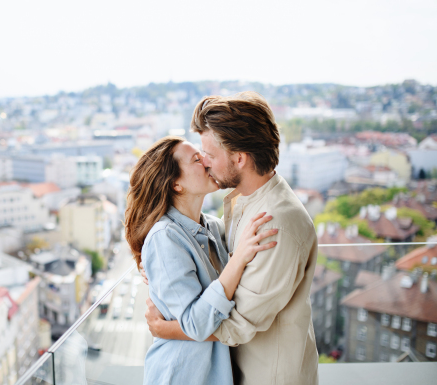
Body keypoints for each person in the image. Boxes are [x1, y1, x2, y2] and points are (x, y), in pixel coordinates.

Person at [144, 92, 319, 385]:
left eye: (209, 156)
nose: (205, 163)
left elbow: (237, 325)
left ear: (239, 158)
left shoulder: (275, 224)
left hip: (268, 376)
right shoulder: (242, 203)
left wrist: (166, 329)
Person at [125, 136, 278, 385]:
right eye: (197, 159)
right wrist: (238, 259)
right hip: (180, 375)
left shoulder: (212, 228)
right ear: (176, 184)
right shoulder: (165, 237)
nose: (206, 162)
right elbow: (196, 324)